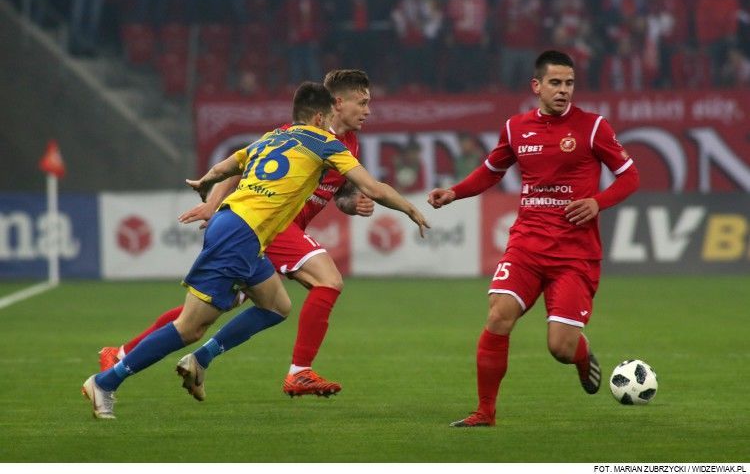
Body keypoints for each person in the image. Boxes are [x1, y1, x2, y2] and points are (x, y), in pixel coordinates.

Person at [82, 81, 429, 419]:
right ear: (322, 116)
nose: (368, 110)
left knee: (275, 306)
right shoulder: (326, 143)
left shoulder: (274, 136)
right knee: (190, 326)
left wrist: (206, 183)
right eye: (362, 102)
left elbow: (228, 166)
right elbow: (374, 187)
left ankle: (186, 358)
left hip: (240, 230)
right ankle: (106, 381)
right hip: (241, 234)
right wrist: (410, 208)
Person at [428, 50, 639, 427]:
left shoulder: (593, 127)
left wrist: (597, 202)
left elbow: (630, 177)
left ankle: (580, 353)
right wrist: (454, 192)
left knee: (560, 347)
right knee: (498, 315)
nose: (563, 90)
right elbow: (491, 171)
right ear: (536, 86)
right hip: (526, 245)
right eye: (555, 83)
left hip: (574, 253)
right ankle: (485, 412)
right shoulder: (515, 128)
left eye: (569, 83)